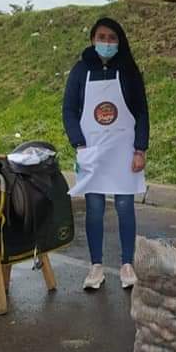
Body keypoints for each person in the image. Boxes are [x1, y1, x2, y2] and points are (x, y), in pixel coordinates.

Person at [63, 17, 149, 291]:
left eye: (112, 38)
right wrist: (79, 144)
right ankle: (96, 266)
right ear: (92, 39)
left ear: (120, 41)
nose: (107, 42)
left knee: (124, 206)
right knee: (95, 208)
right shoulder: (80, 71)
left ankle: (127, 264)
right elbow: (69, 111)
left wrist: (140, 148)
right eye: (102, 37)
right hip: (91, 150)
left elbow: (141, 112)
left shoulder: (128, 71)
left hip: (124, 150)